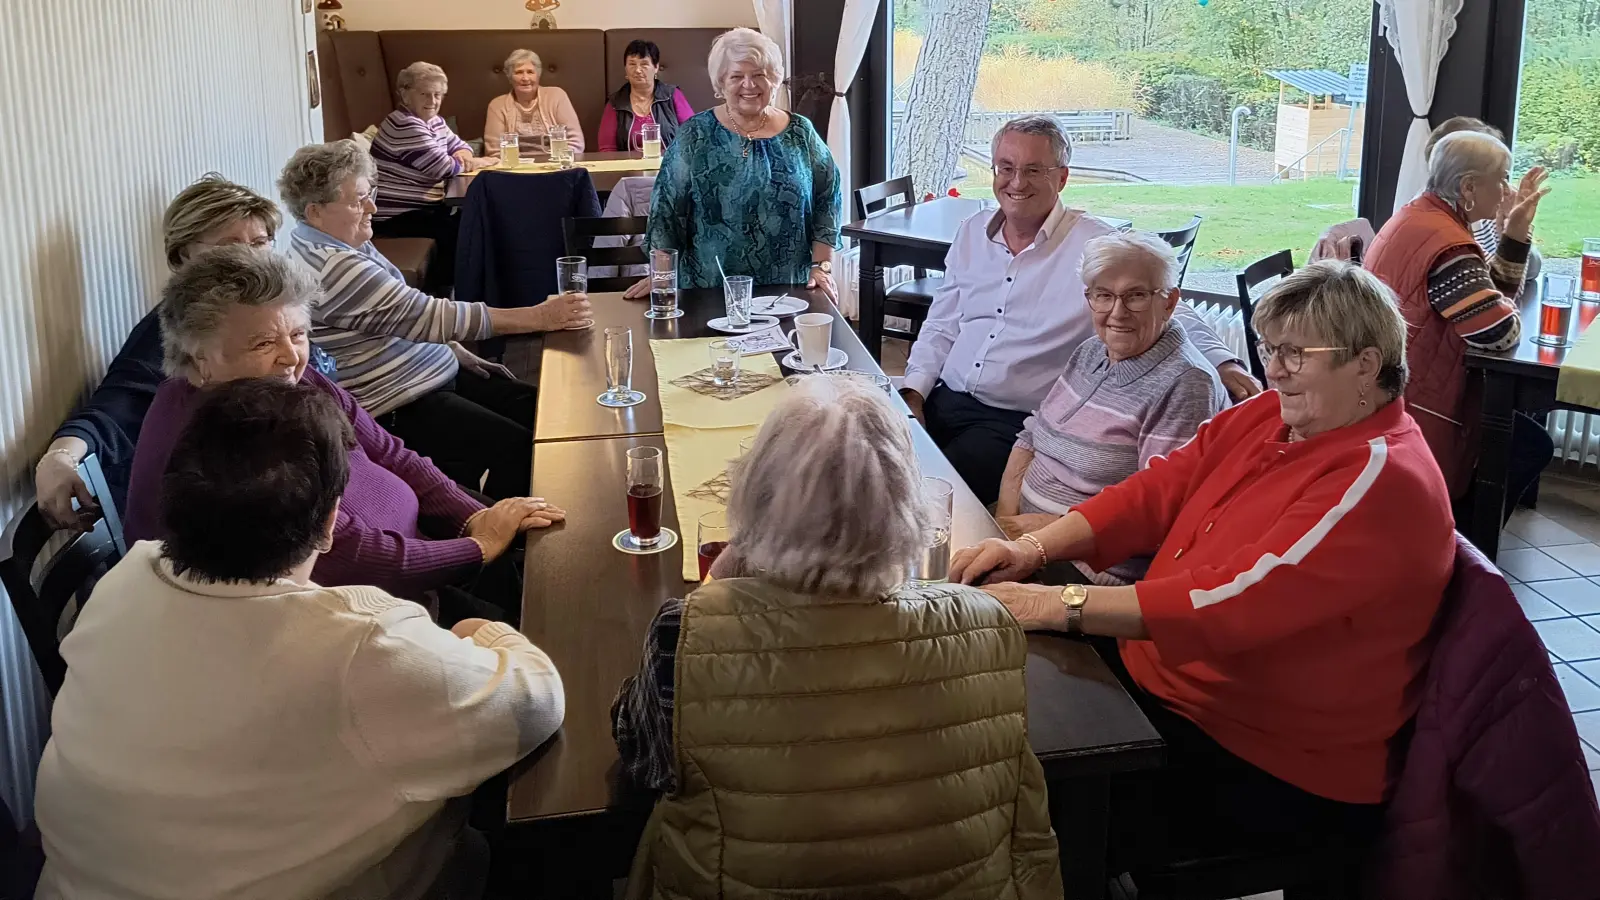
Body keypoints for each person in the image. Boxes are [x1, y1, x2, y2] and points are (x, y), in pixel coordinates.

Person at [949, 262, 1455, 875]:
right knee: (988, 704)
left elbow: (1230, 602)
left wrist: (1055, 604)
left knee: (1018, 785)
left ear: (1367, 364)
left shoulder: (1379, 476)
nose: (1274, 368)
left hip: (1264, 754)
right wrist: (1036, 551)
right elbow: (1159, 488)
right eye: (1270, 349)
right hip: (1172, 681)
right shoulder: (1280, 414)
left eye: (1296, 353)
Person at [34, 376, 564, 900]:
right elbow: (536, 702)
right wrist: (480, 631)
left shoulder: (126, 577)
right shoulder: (363, 642)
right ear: (332, 522)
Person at [613, 377, 1061, 899]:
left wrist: (717, 586)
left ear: (755, 500)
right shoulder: (989, 626)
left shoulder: (682, 635)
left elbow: (640, 755)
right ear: (906, 505)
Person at [122, 247, 564, 617]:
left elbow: (391, 453)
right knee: (537, 623)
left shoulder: (287, 382)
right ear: (199, 359)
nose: (290, 357)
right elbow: (344, 557)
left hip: (406, 565)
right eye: (262, 343)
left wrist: (472, 518)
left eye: (298, 334)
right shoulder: (221, 440)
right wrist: (480, 547)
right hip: (345, 607)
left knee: (539, 569)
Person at [899, 116, 1260, 505]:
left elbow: (1168, 303)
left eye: (1034, 170)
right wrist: (913, 391)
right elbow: (941, 324)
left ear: (1062, 177)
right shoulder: (971, 232)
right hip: (944, 396)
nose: (1016, 182)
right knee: (870, 461)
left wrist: (1225, 363)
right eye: (1006, 168)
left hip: (1011, 421)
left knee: (927, 495)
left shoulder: (1093, 242)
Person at [281, 139, 592, 498]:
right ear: (315, 211)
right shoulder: (332, 265)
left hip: (425, 374)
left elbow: (401, 315)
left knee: (538, 410)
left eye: (370, 193)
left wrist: (453, 350)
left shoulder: (333, 241)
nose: (373, 206)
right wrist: (540, 316)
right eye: (357, 200)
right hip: (399, 401)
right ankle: (508, 537)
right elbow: (429, 314)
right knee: (521, 446)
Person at [32, 174, 336, 529]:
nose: (248, 258)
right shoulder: (182, 331)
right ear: (183, 257)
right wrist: (59, 456)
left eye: (260, 242)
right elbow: (117, 405)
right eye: (230, 246)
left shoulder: (272, 312)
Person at [995, 231, 1227, 585]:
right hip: (1024, 542)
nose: (1116, 312)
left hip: (1087, 570)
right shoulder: (1090, 351)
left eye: (1135, 296)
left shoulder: (1187, 383)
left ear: (1170, 301)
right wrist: (1003, 519)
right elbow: (1031, 436)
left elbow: (1155, 517)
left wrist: (1035, 539)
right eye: (1103, 295)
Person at [1365, 130, 1552, 514]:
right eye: (1501, 178)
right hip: (1420, 406)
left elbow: (1488, 304)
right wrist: (1504, 308)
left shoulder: (1426, 216)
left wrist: (1514, 236)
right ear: (1468, 186)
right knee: (1527, 445)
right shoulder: (1446, 244)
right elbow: (1498, 332)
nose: (1506, 189)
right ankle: (1462, 540)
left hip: (1396, 388)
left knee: (1525, 440)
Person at [625, 27, 841, 302]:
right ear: (721, 83)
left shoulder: (801, 132)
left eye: (759, 75)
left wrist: (821, 267)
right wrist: (663, 278)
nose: (749, 85)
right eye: (737, 76)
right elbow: (666, 209)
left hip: (788, 292)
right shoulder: (696, 134)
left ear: (774, 80)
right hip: (708, 291)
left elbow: (828, 197)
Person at [369, 61, 497, 293]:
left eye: (438, 94)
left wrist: (463, 155)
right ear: (405, 95)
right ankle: (449, 298)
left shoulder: (433, 121)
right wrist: (477, 162)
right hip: (396, 217)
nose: (432, 101)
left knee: (473, 222)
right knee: (466, 232)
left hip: (422, 209)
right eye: (424, 94)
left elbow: (460, 146)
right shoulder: (404, 124)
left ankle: (461, 294)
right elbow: (442, 168)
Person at [1424, 117, 1544, 283]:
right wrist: (1516, 233)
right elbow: (1494, 287)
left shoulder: (1482, 211)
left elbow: (1531, 270)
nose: (1507, 188)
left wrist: (1511, 230)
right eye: (1499, 175)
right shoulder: (1441, 227)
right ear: (1468, 184)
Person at [597, 39, 694, 153]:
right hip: (628, 168)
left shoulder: (672, 95)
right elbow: (607, 149)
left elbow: (693, 134)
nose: (637, 70)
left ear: (656, 67)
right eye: (632, 64)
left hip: (669, 165)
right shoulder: (615, 103)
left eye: (644, 64)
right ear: (625, 69)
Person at [484, 49, 585, 155]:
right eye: (518, 72)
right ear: (510, 77)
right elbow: (494, 151)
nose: (525, 78)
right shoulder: (497, 105)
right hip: (515, 168)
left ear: (538, 75)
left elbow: (575, 143)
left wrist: (555, 164)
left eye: (530, 72)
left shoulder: (557, 96)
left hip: (555, 165)